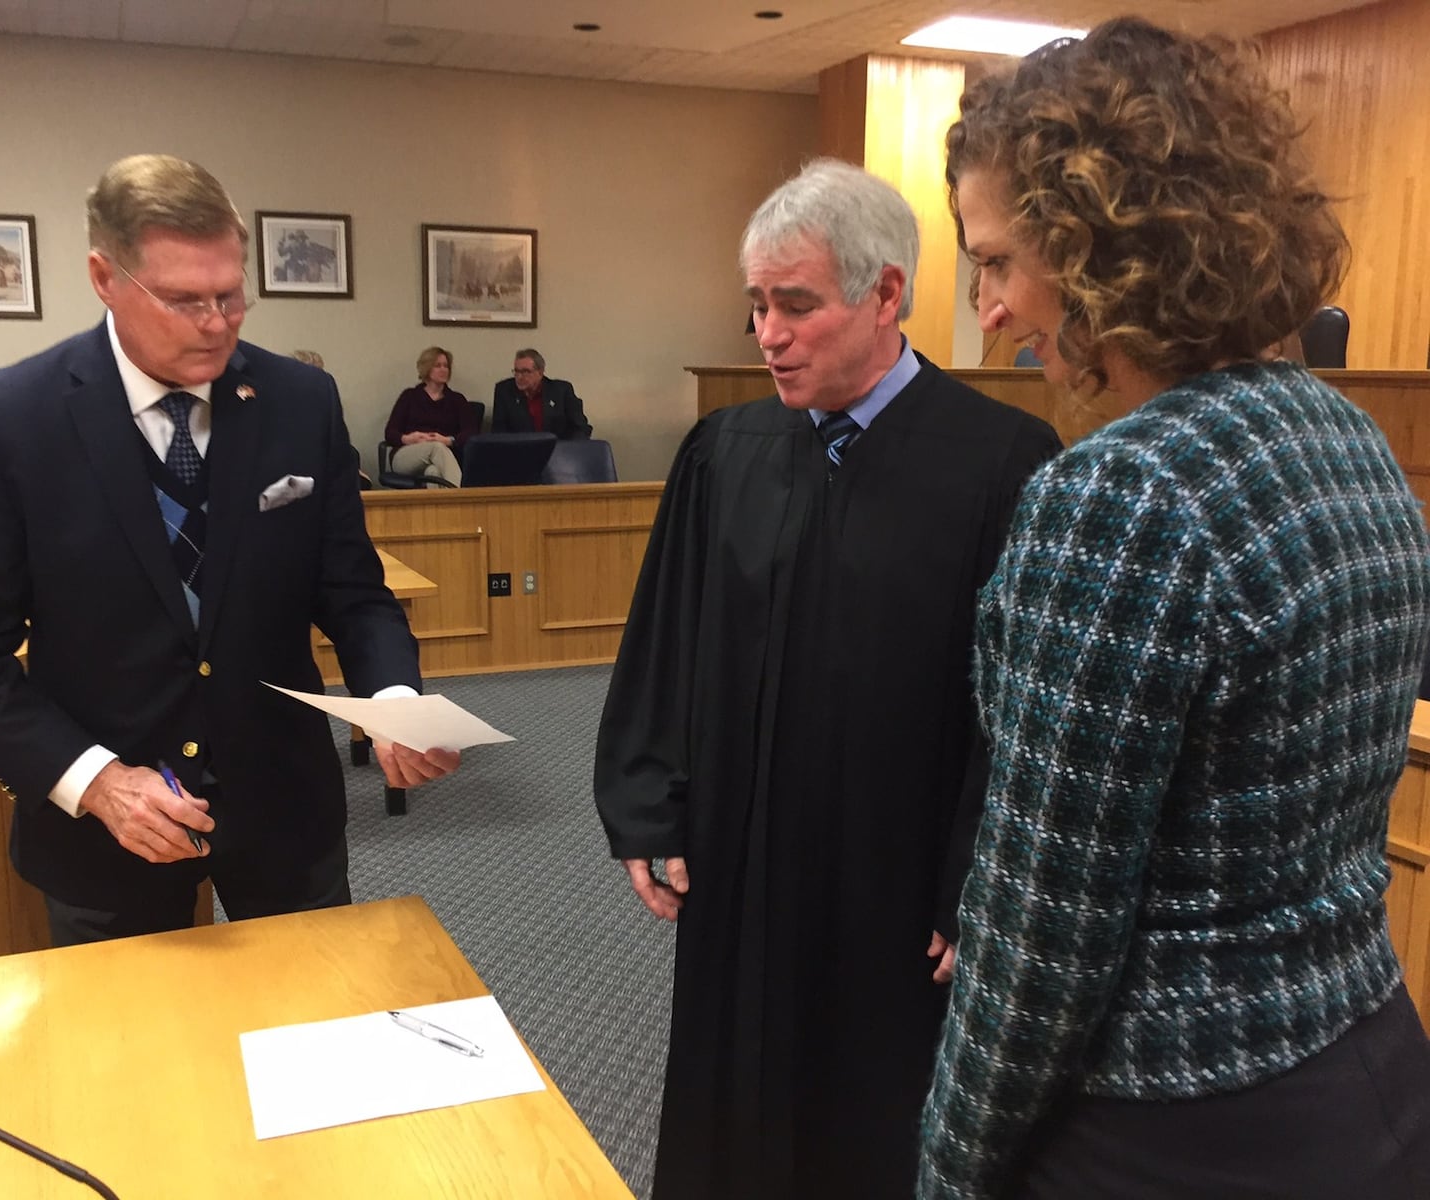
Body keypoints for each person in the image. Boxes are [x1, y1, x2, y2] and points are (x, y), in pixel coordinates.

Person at [918, 19, 1430, 1198]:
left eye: (996, 262)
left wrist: (947, 1170)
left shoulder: (1114, 496)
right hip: (1371, 1072)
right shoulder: (1345, 436)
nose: (987, 310)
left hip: (1171, 1129)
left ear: (1101, 247)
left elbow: (1038, 943)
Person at [593, 158, 1062, 1198]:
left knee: (867, 1118)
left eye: (795, 305)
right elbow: (665, 635)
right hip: (741, 857)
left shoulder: (1001, 461)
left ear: (884, 292)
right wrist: (647, 802)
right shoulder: (727, 449)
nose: (767, 334)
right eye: (756, 305)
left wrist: (973, 875)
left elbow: (1016, 708)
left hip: (887, 885)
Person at [0, 153, 459, 946]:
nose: (216, 324)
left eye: (231, 294)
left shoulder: (302, 400)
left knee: (312, 1041)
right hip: (108, 827)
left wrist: (394, 702)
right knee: (131, 1061)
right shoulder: (10, 418)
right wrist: (94, 781)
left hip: (284, 805)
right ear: (106, 278)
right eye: (182, 300)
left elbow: (352, 590)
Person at [383, 346, 479, 486]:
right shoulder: (409, 396)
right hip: (407, 455)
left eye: (446, 366)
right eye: (438, 366)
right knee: (436, 447)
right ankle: (462, 499)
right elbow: (390, 432)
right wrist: (408, 438)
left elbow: (471, 432)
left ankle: (444, 508)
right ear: (427, 368)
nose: (443, 369)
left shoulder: (457, 400)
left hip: (442, 456)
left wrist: (449, 440)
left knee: (433, 472)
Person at [490, 349, 592, 438]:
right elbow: (498, 432)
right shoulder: (504, 391)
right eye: (517, 371)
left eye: (525, 372)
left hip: (558, 452)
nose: (519, 377)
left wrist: (569, 449)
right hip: (519, 452)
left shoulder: (562, 391)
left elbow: (581, 428)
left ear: (540, 372)